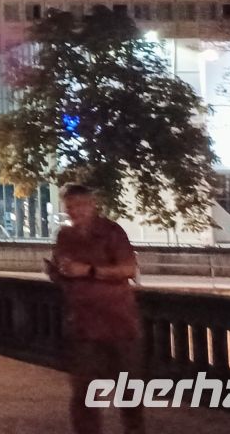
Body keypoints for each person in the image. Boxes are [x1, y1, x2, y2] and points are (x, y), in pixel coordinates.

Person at [48, 183, 144, 434]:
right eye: (70, 207)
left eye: (79, 206)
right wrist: (58, 272)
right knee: (83, 392)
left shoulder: (112, 232)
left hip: (117, 320)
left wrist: (88, 270)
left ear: (92, 204)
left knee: (128, 390)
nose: (75, 212)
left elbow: (128, 269)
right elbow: (64, 270)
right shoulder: (65, 236)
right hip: (82, 322)